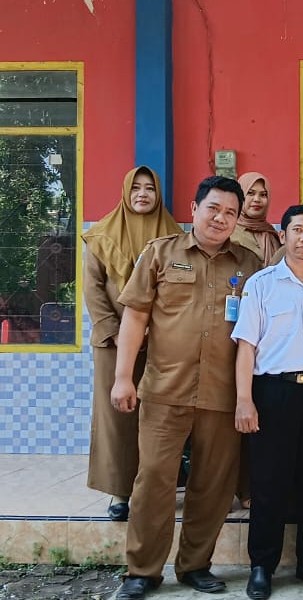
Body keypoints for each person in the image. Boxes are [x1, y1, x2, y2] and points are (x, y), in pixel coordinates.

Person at [110, 176, 261, 600]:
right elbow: (135, 317)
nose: (221, 218)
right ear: (194, 209)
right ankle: (143, 570)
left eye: (230, 212)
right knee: (154, 481)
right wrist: (123, 377)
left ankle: (195, 565)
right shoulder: (160, 254)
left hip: (222, 396)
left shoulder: (249, 265)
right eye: (214, 208)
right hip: (165, 390)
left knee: (213, 487)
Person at [232, 205, 303, 600]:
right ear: (283, 235)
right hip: (273, 392)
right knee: (269, 483)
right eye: (297, 230)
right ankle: (262, 566)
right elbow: (246, 347)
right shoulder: (261, 285)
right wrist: (244, 400)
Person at [83, 165, 182, 521]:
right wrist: (115, 332)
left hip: (160, 343)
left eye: (150, 188)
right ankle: (120, 491)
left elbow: (178, 292)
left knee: (158, 418)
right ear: (126, 192)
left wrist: (159, 332)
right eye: (136, 188)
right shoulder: (100, 235)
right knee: (118, 418)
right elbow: (93, 289)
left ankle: (155, 488)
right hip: (113, 345)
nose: (143, 194)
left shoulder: (174, 237)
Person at [231, 171, 281, 266]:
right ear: (240, 196)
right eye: (250, 193)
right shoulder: (229, 232)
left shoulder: (272, 234)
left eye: (263, 195)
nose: (257, 199)